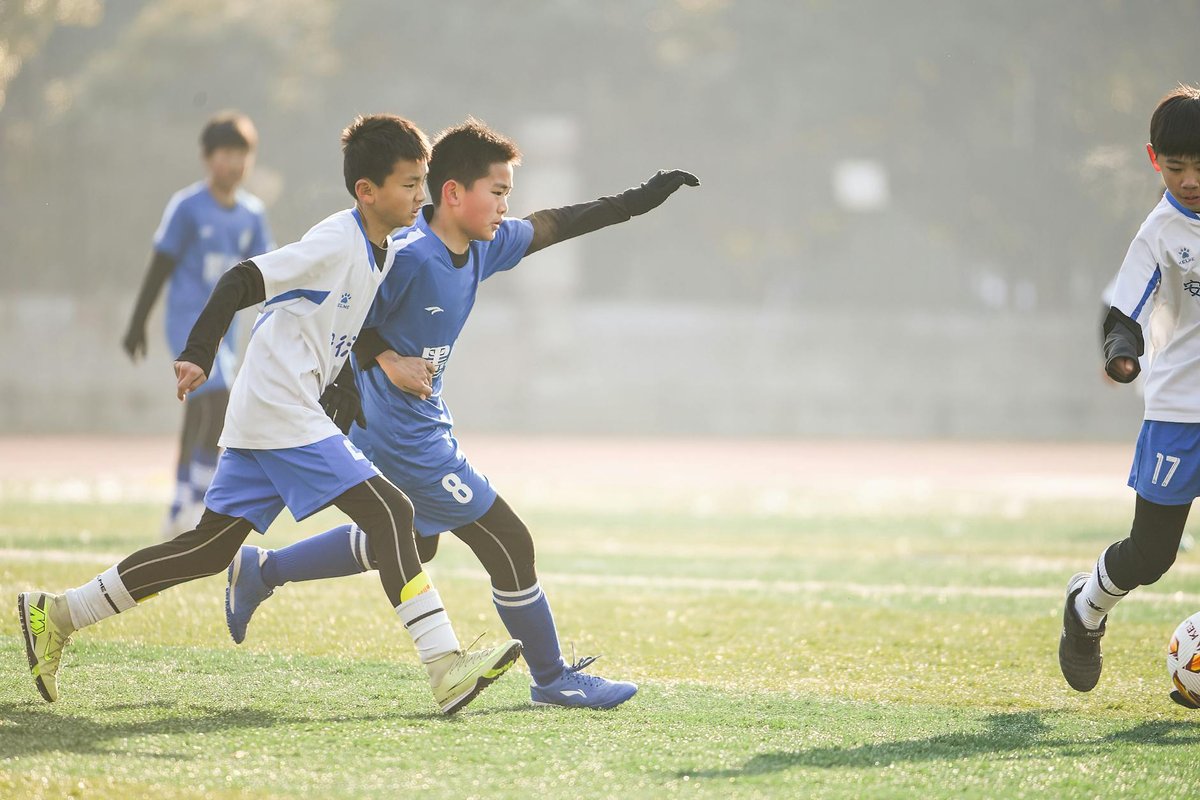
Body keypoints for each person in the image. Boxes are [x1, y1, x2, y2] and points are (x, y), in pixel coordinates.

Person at [18, 114, 521, 715]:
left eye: (422, 182)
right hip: (279, 406)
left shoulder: (381, 248)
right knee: (393, 511)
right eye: (410, 184)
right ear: (367, 191)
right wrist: (199, 352)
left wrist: (344, 387)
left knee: (207, 550)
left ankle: (60, 614)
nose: (422, 196)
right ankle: (444, 667)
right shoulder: (336, 241)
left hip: (275, 407)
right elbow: (241, 280)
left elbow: (338, 325)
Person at [223, 118, 699, 709]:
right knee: (508, 539)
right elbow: (340, 310)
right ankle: (553, 679)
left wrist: (639, 201)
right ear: (453, 193)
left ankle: (261, 571)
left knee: (414, 545)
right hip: (400, 436)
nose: (506, 207)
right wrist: (386, 358)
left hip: (415, 422)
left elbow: (559, 223)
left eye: (507, 195)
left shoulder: (484, 245)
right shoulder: (406, 254)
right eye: (497, 193)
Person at [1060, 84, 1200, 707]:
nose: (1190, 178)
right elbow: (1127, 312)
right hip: (1177, 412)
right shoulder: (1159, 232)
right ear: (1153, 161)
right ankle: (1086, 604)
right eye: (1176, 167)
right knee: (1151, 554)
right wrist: (1122, 354)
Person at [122, 111, 274, 538]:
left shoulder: (252, 214)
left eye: (243, 154)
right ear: (208, 158)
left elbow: (269, 269)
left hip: (226, 331)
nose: (236, 163)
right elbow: (161, 264)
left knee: (199, 411)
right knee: (217, 399)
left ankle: (179, 502)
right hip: (188, 325)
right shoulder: (187, 207)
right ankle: (198, 502)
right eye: (227, 153)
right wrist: (137, 322)